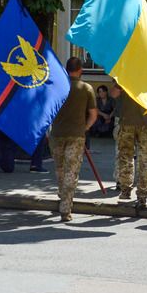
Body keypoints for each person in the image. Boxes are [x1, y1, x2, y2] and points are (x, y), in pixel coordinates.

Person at [49, 57, 98, 222]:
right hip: (76, 135)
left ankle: (63, 195)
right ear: (80, 70)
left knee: (60, 169)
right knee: (71, 171)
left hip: (56, 134)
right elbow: (93, 114)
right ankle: (65, 208)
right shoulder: (86, 88)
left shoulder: (57, 87)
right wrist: (86, 127)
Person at [115, 86, 147, 207]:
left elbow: (114, 93)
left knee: (125, 156)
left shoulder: (125, 73)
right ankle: (143, 195)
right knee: (146, 159)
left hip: (127, 121)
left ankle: (125, 190)